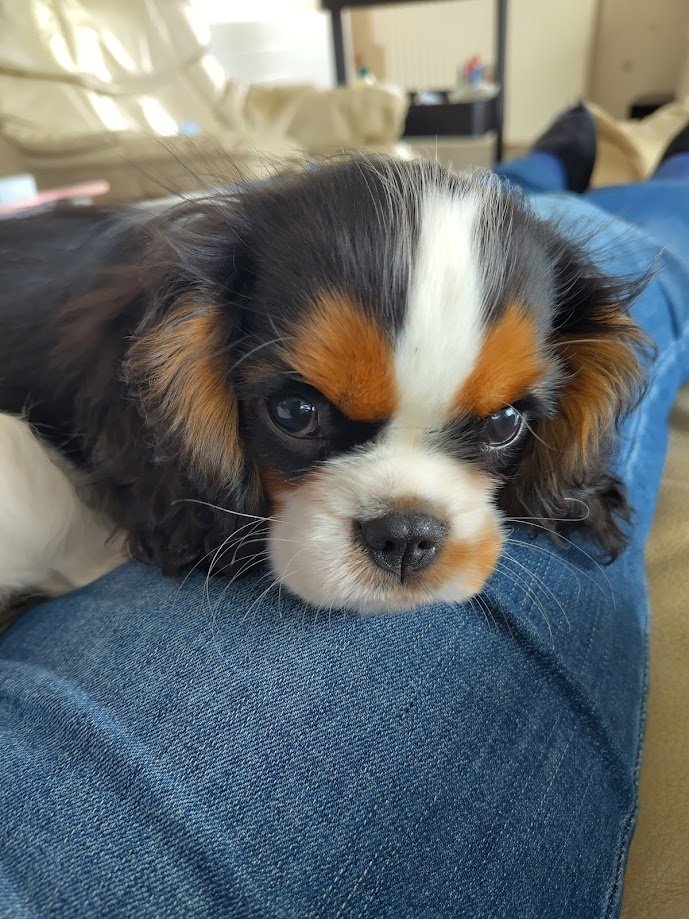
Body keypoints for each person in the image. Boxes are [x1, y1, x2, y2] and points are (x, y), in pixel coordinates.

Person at [1, 106, 688, 918]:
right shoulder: (184, 315)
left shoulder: (563, 339)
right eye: (299, 413)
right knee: (642, 249)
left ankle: (558, 175)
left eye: (502, 423)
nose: (407, 526)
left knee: (580, 248)